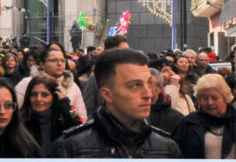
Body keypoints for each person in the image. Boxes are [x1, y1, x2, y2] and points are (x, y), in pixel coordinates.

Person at [46, 48, 181, 158]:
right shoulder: (70, 149)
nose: (148, 94)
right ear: (107, 94)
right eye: (135, 85)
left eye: (148, 84)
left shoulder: (167, 148)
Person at [172, 74, 236, 159]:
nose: (210, 102)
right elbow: (176, 155)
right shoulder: (188, 124)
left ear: (225, 97)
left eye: (214, 98)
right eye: (205, 98)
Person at [15, 46, 87, 121]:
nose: (59, 64)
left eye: (62, 61)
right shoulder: (26, 83)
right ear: (42, 64)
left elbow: (82, 118)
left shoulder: (72, 86)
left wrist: (67, 107)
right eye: (54, 60)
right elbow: (15, 113)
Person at [19, 75, 81, 151]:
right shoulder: (20, 122)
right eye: (34, 94)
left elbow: (79, 125)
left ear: (54, 97)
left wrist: (65, 104)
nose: (38, 99)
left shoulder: (63, 118)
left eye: (44, 95)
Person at [81, 34, 129, 116]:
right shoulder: (96, 77)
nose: (129, 54)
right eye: (124, 51)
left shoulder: (134, 76)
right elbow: (88, 111)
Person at [147, 68, 183, 134]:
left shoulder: (176, 118)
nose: (144, 88)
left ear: (160, 88)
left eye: (149, 85)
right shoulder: (130, 113)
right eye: (139, 84)